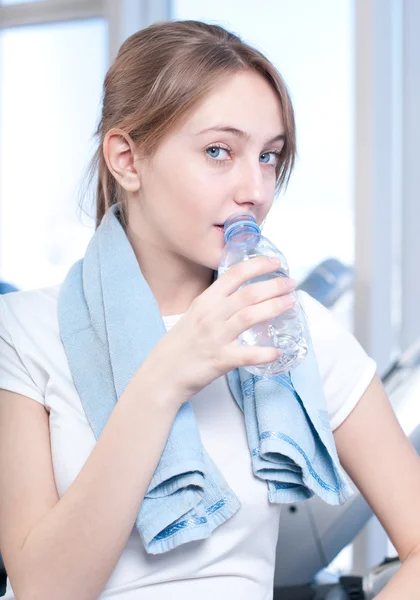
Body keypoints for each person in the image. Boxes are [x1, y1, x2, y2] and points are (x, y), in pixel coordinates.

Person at [0, 20, 420, 600]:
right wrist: (167, 377)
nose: (256, 188)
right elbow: (45, 589)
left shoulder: (291, 327)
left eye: (270, 157)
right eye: (219, 151)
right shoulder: (25, 331)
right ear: (126, 159)